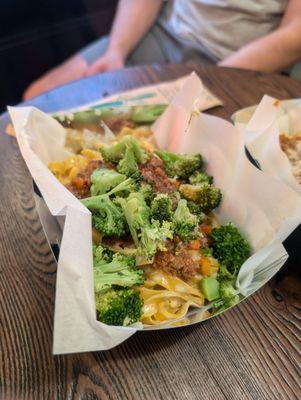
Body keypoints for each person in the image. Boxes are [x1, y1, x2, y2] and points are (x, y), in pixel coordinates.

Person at [23, 0, 301, 100]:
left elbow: (293, 35)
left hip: (240, 63)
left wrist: (209, 81)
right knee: (36, 97)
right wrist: (116, 51)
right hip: (160, 33)